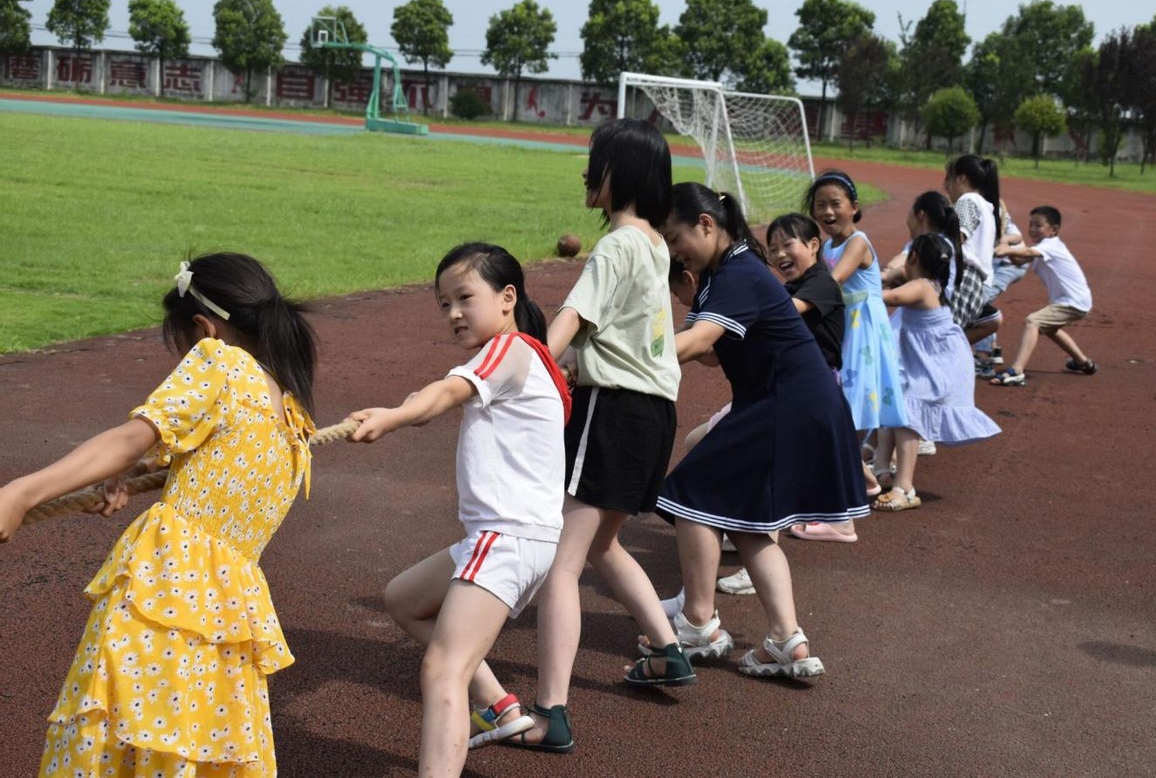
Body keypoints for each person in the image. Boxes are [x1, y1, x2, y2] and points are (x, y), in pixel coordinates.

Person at [0, 253, 318, 777]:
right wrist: (138, 468)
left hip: (166, 587)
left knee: (120, 730)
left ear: (204, 327)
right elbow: (207, 452)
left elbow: (132, 438)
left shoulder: (219, 361)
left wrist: (21, 493)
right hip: (228, 615)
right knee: (187, 745)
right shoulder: (292, 410)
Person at [488, 118, 693, 755]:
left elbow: (571, 321)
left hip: (614, 411)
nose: (586, 173)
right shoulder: (655, 245)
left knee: (560, 562)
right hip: (655, 415)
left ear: (620, 175)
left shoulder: (615, 248)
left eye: (595, 162)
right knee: (601, 541)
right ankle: (666, 650)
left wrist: (521, 372)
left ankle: (550, 713)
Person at [347, 243, 572, 775]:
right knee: (403, 599)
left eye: (464, 298)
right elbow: (446, 396)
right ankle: (499, 708)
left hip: (505, 536)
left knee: (442, 669)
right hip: (517, 538)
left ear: (507, 297)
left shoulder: (508, 349)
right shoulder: (531, 358)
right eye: (443, 303)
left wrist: (396, 415)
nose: (452, 313)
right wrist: (407, 409)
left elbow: (446, 393)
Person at [655, 182, 868, 679]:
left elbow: (701, 342)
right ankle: (786, 640)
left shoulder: (738, 272)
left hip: (784, 401)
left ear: (707, 225)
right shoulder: (725, 276)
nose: (672, 249)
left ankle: (697, 622)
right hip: (795, 399)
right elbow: (710, 351)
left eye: (674, 236)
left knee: (691, 492)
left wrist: (623, 354)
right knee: (750, 522)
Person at [876, 234, 1001, 510]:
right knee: (895, 405)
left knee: (908, 413)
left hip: (937, 364)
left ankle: (904, 487)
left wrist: (857, 287)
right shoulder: (928, 284)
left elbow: (891, 297)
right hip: (931, 359)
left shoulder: (920, 286)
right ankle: (882, 470)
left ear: (913, 258)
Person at [806, 169, 906, 507]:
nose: (828, 212)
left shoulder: (857, 241)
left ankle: (850, 482)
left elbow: (831, 282)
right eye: (820, 205)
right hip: (843, 326)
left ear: (854, 207)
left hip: (862, 330)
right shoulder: (828, 244)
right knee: (840, 400)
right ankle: (860, 477)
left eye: (836, 203)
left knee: (849, 401)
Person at [763, 213, 855, 545]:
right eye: (772, 250)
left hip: (811, 390)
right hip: (793, 387)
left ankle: (757, 545)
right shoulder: (794, 285)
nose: (779, 255)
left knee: (773, 465)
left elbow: (786, 311)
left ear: (813, 245)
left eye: (787, 245)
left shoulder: (822, 282)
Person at [989, 206, 1096, 386]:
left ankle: (1016, 370)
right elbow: (1019, 259)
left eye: (1038, 225)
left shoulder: (1051, 246)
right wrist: (1004, 246)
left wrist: (1006, 249)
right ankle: (1083, 362)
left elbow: (1028, 253)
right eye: (1030, 225)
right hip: (1075, 301)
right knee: (1050, 328)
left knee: (1034, 321)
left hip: (1073, 302)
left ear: (1054, 229)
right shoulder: (1043, 247)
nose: (1032, 229)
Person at [943, 155, 1004, 346]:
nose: (946, 186)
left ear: (961, 179)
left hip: (962, 280)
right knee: (950, 337)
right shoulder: (988, 207)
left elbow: (957, 237)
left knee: (943, 339)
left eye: (948, 178)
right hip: (975, 285)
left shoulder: (968, 200)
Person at [972, 199, 1029, 377]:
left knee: (980, 301)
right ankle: (993, 349)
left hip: (1010, 265)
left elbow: (1017, 237)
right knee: (982, 298)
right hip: (997, 266)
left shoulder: (994, 213)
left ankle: (983, 359)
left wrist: (1004, 241)